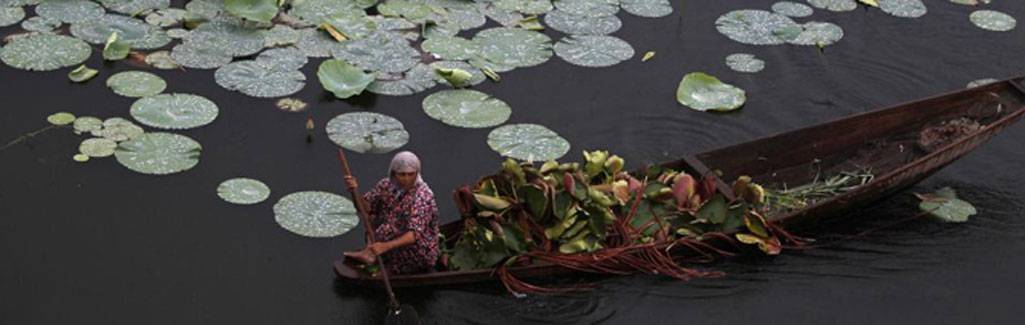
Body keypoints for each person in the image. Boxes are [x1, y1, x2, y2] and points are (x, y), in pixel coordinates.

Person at [343, 151, 440, 274]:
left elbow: (413, 236)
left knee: (387, 269)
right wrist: (354, 191)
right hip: (390, 235)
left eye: (411, 174)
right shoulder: (385, 185)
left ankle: (392, 265)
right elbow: (364, 208)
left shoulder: (422, 196)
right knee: (371, 215)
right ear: (393, 173)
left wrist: (385, 246)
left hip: (417, 250)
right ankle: (370, 252)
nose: (406, 179)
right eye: (402, 175)